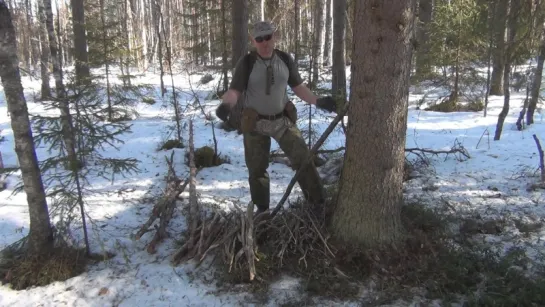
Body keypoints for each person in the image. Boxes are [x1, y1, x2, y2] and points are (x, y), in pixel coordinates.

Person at [216, 21, 337, 214]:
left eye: (268, 37)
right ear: (253, 40)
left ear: (275, 36)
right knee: (257, 170)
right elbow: (234, 91)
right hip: (255, 123)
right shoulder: (247, 62)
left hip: (283, 121)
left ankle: (317, 204)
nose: (265, 42)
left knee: (303, 160)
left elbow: (299, 88)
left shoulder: (284, 59)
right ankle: (262, 210)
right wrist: (226, 106)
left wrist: (318, 101)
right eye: (259, 39)